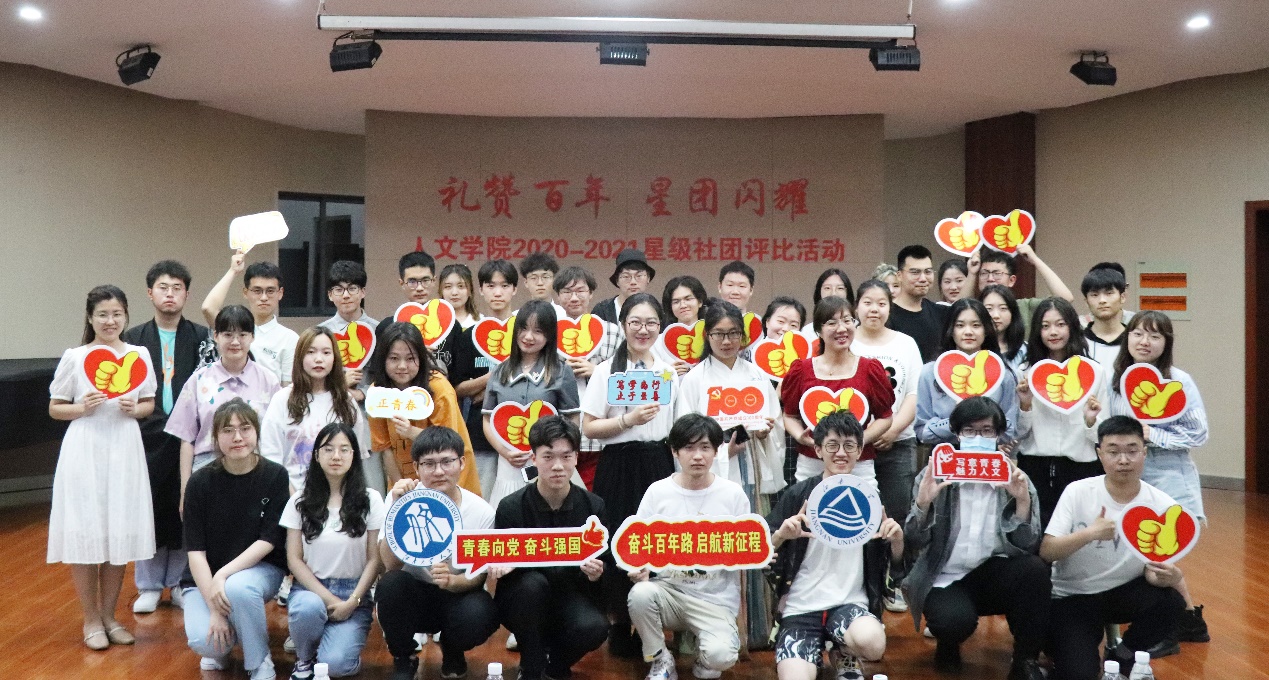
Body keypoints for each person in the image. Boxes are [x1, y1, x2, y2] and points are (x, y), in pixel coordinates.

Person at [902, 397, 1048, 680]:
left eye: (986, 431)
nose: (978, 438)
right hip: (944, 574)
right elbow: (913, 542)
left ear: (998, 435)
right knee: (952, 621)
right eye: (969, 431)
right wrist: (923, 505)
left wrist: (1022, 504)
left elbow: (1029, 545)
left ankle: (1025, 660)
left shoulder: (1015, 479)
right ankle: (948, 642)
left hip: (993, 572)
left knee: (1035, 571)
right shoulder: (934, 475)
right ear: (957, 435)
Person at [48, 285, 158, 650]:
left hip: (124, 448)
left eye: (117, 314)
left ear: (126, 316)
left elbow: (148, 402)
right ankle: (91, 620)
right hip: (85, 449)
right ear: (90, 317)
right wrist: (83, 407)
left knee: (118, 533)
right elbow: (55, 407)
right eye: (103, 315)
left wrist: (135, 409)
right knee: (86, 532)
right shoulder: (76, 356)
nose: (110, 321)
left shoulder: (139, 355)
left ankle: (110, 617)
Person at [1040, 416, 1187, 680]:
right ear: (1100, 454)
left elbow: (1157, 565)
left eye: (1132, 451)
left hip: (1122, 591)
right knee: (1078, 674)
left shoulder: (1162, 504)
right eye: (1113, 452)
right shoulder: (1077, 491)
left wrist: (1169, 576)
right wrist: (1088, 534)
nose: (1123, 460)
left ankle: (1124, 654)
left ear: (1144, 453)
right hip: (1073, 596)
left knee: (1171, 602)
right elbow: (1047, 551)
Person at [767, 411, 904, 680]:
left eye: (849, 446)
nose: (841, 453)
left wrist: (897, 540)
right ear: (818, 450)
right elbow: (764, 548)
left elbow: (894, 563)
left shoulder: (870, 499)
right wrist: (781, 536)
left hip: (849, 604)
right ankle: (810, 654)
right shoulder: (798, 495)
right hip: (800, 607)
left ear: (860, 451)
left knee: (873, 643)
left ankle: (844, 651)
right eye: (832, 445)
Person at [1103, 311, 1210, 643]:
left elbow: (1199, 432)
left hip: (1169, 475)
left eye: (1155, 336)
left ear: (1166, 343)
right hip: (1128, 477)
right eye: (1137, 334)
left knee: (1161, 549)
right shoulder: (1115, 380)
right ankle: (1186, 618)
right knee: (1139, 549)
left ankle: (1177, 623)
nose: (1144, 342)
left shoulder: (1179, 381)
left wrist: (1154, 435)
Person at [581, 294, 679, 656]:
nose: (643, 329)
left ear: (660, 327)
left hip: (658, 462)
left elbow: (678, 426)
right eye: (635, 322)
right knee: (619, 538)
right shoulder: (607, 370)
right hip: (618, 463)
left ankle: (657, 620)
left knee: (658, 538)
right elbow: (589, 427)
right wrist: (628, 420)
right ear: (623, 325)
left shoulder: (667, 372)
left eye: (651, 322)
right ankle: (620, 623)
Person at [123, 260, 215, 614]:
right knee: (147, 507)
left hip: (188, 438)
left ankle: (177, 581)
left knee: (183, 507)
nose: (170, 294)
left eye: (177, 288)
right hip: (146, 437)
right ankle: (147, 585)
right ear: (150, 293)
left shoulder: (202, 337)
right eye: (163, 287)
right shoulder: (132, 340)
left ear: (186, 295)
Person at [627, 414, 747, 680]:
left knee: (720, 658)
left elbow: (745, 549)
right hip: (669, 590)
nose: (697, 456)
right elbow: (638, 546)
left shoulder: (733, 494)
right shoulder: (658, 492)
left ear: (716, 451)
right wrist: (639, 568)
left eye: (705, 447)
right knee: (640, 595)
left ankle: (705, 660)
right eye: (689, 448)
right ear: (675, 451)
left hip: (715, 598)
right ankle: (661, 658)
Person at [493, 416, 611, 680]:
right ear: (533, 458)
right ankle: (531, 664)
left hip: (571, 597)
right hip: (525, 600)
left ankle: (557, 665)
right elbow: (502, 568)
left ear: (576, 458)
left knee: (594, 627)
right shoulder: (511, 507)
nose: (558, 466)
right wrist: (501, 567)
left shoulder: (594, 507)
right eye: (548, 457)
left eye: (566, 456)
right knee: (531, 586)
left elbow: (606, 564)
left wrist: (596, 573)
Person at [378, 427, 500, 680]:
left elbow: (479, 576)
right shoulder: (401, 499)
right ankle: (404, 656)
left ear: (462, 462)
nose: (438, 471)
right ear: (416, 467)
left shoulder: (481, 511)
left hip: (457, 595)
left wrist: (452, 582)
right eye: (429, 464)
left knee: (481, 613)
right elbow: (389, 564)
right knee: (390, 585)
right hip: (415, 594)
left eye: (447, 462)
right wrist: (397, 510)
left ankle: (453, 648)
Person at [181, 398, 290, 679]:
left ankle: (259, 661)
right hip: (205, 576)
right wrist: (215, 610)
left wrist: (224, 575)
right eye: (228, 431)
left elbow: (269, 540)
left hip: (259, 569)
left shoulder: (275, 476)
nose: (238, 437)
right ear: (216, 438)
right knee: (206, 642)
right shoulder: (199, 482)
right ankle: (225, 643)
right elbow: (195, 553)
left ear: (256, 432)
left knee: (238, 588)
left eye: (245, 428)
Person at [166, 305, 280, 560]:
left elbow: (275, 437)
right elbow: (187, 439)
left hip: (255, 472)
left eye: (243, 334)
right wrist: (186, 490)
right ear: (215, 336)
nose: (235, 341)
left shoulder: (269, 381)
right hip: (208, 471)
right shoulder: (198, 380)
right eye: (227, 334)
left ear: (252, 337)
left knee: (250, 542)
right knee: (208, 544)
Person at [282, 423, 384, 679]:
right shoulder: (299, 501)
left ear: (354, 455)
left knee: (337, 666)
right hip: (310, 590)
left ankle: (329, 648)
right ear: (316, 455)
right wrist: (329, 599)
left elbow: (375, 560)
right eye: (328, 449)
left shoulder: (371, 500)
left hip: (354, 593)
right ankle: (304, 658)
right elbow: (294, 559)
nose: (336, 456)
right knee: (307, 608)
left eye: (344, 449)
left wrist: (353, 601)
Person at [850, 279, 922, 613]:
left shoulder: (905, 343)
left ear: (890, 307)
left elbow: (913, 394)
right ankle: (861, 583)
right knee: (857, 514)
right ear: (856, 307)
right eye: (867, 302)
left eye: (881, 303)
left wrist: (892, 429)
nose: (874, 309)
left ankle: (895, 580)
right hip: (853, 448)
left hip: (899, 443)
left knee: (895, 515)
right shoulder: (846, 340)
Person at [677, 301, 786, 495]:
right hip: (711, 468)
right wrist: (722, 453)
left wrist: (763, 434)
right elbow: (684, 432)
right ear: (707, 335)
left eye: (733, 333)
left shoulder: (756, 375)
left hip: (752, 461)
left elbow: (774, 421)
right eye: (719, 334)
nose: (726, 341)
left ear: (742, 335)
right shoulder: (694, 379)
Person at [781, 296, 894, 484]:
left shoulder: (870, 369)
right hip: (812, 463)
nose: (842, 329)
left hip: (859, 464)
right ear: (818, 330)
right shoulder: (801, 370)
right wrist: (800, 437)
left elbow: (885, 417)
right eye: (832, 323)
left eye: (847, 321)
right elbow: (789, 415)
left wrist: (858, 440)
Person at [1015, 298, 1104, 526]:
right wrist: (1025, 405)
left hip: (1081, 467)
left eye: (1060, 324)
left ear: (1072, 326)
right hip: (1035, 466)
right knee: (1037, 529)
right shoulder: (1026, 372)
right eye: (1045, 326)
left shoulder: (1094, 371)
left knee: (1078, 529)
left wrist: (1090, 421)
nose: (1053, 332)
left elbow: (1101, 434)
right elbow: (1020, 433)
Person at [482, 299, 581, 505]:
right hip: (509, 464)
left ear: (549, 335)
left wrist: (556, 453)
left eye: (538, 331)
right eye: (524, 328)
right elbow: (487, 419)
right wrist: (506, 452)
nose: (528, 337)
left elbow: (572, 419)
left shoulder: (561, 371)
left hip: (549, 464)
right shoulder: (500, 371)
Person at [366, 321, 480, 494]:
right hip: (405, 482)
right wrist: (403, 489)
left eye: (410, 358)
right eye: (394, 358)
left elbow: (451, 444)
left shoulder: (439, 388)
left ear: (421, 357)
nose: (402, 366)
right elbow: (385, 449)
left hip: (450, 478)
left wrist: (412, 432)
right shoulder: (377, 393)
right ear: (383, 359)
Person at [261, 326, 371, 492]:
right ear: (300, 357)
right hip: (291, 495)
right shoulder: (282, 400)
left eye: (326, 353)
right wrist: (292, 498)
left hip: (339, 497)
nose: (318, 359)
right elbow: (271, 458)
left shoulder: (346, 401)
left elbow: (356, 459)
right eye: (311, 352)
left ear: (335, 358)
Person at [452, 258, 520, 498]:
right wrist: (492, 379)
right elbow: (458, 388)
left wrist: (490, 389)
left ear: (514, 289)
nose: (497, 292)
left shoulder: (526, 334)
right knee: (482, 496)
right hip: (480, 431)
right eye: (491, 286)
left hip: (520, 430)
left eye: (504, 285)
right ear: (480, 290)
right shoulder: (468, 335)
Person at [914, 298, 1020, 446]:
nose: (968, 332)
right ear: (950, 330)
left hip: (987, 455)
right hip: (945, 455)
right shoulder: (930, 372)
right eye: (960, 325)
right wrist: (957, 419)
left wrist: (978, 418)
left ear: (986, 330)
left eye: (976, 325)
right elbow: (922, 432)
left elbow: (1009, 432)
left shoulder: (1003, 374)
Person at [553, 266, 623, 489]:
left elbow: (624, 380)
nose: (574, 297)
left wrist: (597, 372)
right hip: (559, 430)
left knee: (596, 495)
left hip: (599, 435)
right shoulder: (547, 333)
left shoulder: (612, 331)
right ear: (558, 296)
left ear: (591, 293)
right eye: (567, 291)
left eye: (580, 291)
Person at [202, 255, 298, 386]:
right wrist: (233, 271)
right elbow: (208, 308)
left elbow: (288, 388)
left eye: (270, 291)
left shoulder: (289, 339)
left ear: (280, 293)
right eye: (257, 291)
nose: (264, 297)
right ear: (245, 292)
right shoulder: (232, 327)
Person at [966, 245, 1075, 330]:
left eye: (997, 273)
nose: (990, 278)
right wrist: (971, 273)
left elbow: (1065, 299)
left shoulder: (1025, 307)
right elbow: (958, 307)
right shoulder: (973, 308)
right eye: (984, 273)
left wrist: (1035, 260)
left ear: (1011, 280)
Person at [886, 245, 949, 363]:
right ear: (899, 276)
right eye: (915, 272)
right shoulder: (886, 315)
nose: (923, 278)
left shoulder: (940, 312)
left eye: (928, 271)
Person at [660, 275, 710, 377]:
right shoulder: (658, 342)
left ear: (700, 302)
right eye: (676, 301)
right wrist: (667, 373)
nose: (683, 305)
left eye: (688, 299)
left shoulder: (713, 336)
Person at [1081, 265, 1130, 367]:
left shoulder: (1134, 341)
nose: (1102, 300)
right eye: (1095, 295)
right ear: (1086, 301)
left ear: (1123, 297)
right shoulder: (1077, 342)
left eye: (1109, 293)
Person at [592, 248, 655, 324]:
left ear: (648, 278)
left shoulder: (658, 310)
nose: (633, 282)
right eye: (626, 276)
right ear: (617, 280)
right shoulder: (602, 311)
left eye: (639, 276)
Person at [318, 260, 378, 336]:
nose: (346, 295)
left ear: (363, 292)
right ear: (330, 295)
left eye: (352, 288)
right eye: (339, 290)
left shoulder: (378, 330)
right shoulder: (320, 334)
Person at [980, 284, 1028, 372]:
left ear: (1013, 313)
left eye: (1003, 308)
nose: (996, 315)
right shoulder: (973, 348)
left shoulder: (1025, 350)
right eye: (989, 308)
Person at [440, 263, 481, 330]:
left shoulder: (480, 322)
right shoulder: (433, 322)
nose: (454, 293)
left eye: (461, 286)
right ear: (441, 290)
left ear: (470, 290)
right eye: (448, 286)